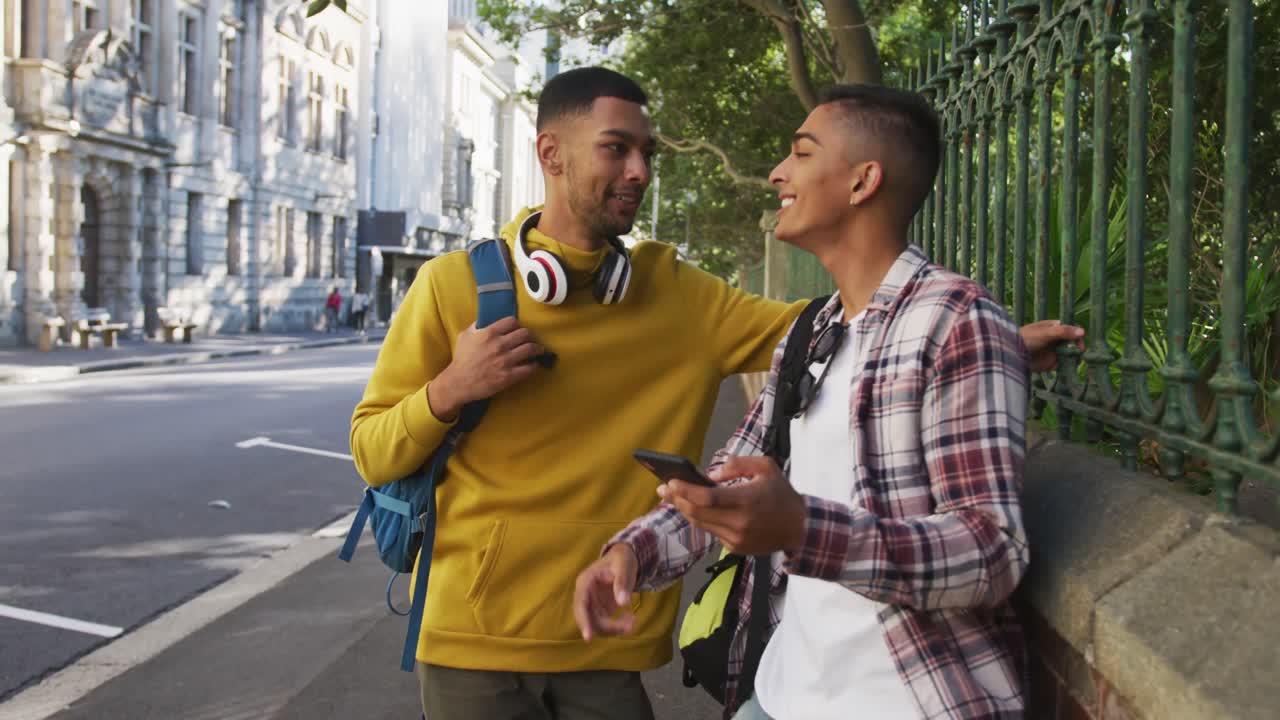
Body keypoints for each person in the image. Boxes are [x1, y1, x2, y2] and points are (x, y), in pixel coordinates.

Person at [352, 67, 1080, 720]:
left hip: (614, 650)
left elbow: (886, 340)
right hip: (474, 640)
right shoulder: (450, 287)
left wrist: (998, 343)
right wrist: (448, 391)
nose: (639, 170)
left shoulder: (682, 294)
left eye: (648, 153)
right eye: (616, 149)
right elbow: (372, 451)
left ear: (860, 182)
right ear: (552, 154)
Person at [575, 85, 1053, 720]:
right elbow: (726, 480)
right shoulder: (812, 332)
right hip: (779, 694)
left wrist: (804, 530)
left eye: (801, 154)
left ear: (862, 182)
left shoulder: (957, 321)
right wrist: (632, 552)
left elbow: (992, 552)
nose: (778, 173)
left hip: (908, 702)